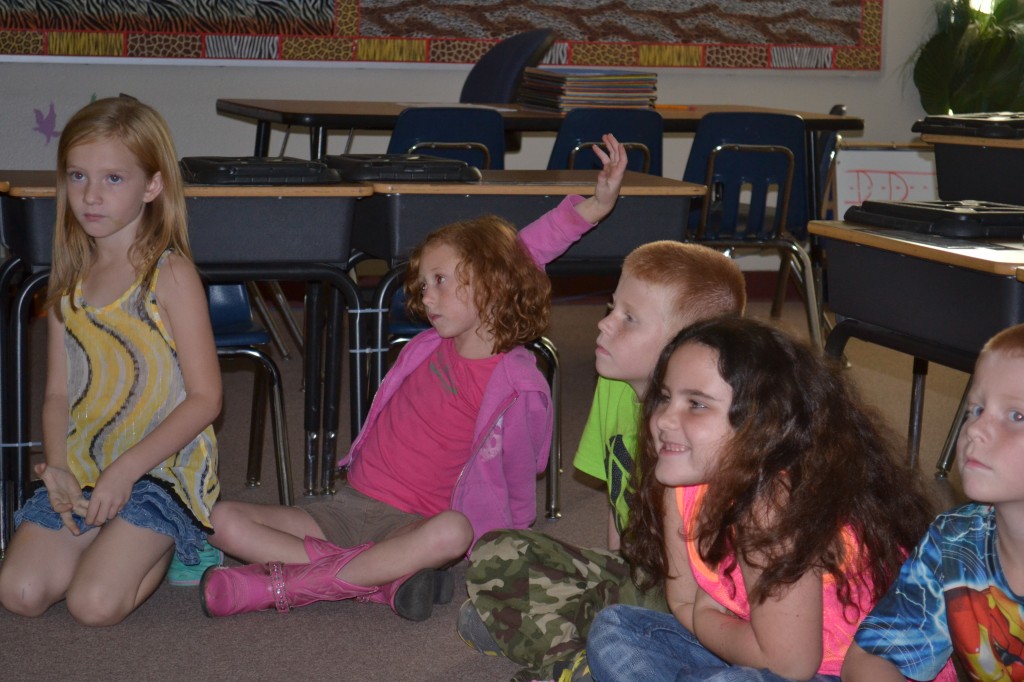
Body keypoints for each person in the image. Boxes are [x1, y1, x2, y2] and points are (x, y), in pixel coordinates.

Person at [198, 136, 630, 622]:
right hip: (346, 505)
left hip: (412, 526)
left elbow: (519, 472)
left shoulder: (516, 383)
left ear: (492, 281)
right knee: (216, 518)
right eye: (423, 284)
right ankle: (377, 582)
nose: (427, 297)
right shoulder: (431, 344)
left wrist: (595, 206)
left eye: (441, 281)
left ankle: (295, 585)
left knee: (453, 533)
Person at [586, 316, 943, 681]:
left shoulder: (770, 504)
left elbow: (790, 664)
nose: (663, 419)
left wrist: (707, 615)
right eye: (664, 397)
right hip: (745, 645)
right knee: (614, 629)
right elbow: (681, 601)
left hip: (837, 672)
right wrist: (707, 618)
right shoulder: (679, 481)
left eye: (696, 404)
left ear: (761, 424)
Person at [460, 241, 747, 681]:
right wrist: (614, 574)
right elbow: (617, 505)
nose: (604, 324)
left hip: (693, 595)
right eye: (612, 307)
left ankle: (572, 658)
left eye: (629, 319)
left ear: (687, 344)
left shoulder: (704, 427)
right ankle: (582, 658)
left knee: (512, 608)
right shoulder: (613, 385)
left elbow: (711, 581)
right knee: (496, 551)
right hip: (639, 574)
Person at [0, 97, 222, 626]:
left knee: (92, 605)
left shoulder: (169, 274)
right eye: (77, 175)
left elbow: (207, 397)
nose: (90, 195)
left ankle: (174, 543)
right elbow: (56, 393)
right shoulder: (66, 279)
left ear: (152, 185)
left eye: (113, 179)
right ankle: (110, 534)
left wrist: (125, 472)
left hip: (157, 468)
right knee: (19, 591)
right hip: (86, 462)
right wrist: (58, 469)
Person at [842, 323, 1024, 681]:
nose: (974, 429)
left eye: (1016, 416)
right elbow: (869, 661)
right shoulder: (955, 541)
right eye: (975, 409)